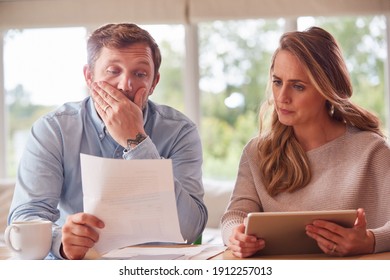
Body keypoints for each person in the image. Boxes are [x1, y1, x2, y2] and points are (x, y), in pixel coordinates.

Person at [8, 23, 207, 260]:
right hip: (80, 267)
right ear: (89, 77)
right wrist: (60, 240)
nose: (126, 85)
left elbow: (190, 229)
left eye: (140, 73)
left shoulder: (180, 131)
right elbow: (27, 216)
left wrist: (137, 141)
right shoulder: (54, 129)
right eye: (113, 71)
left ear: (154, 82)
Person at [221, 26, 390, 258]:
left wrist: (370, 241)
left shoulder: (373, 151)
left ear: (326, 89)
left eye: (298, 86)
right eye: (277, 82)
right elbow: (235, 215)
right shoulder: (257, 151)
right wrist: (236, 236)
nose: (282, 97)